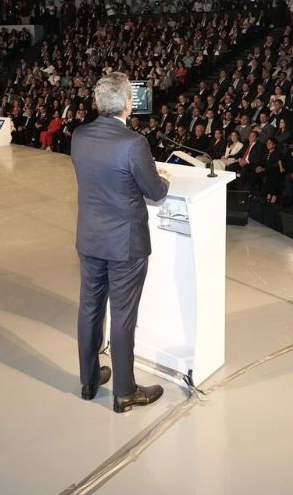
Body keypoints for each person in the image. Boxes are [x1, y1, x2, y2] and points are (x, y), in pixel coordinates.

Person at [71, 72, 170, 413]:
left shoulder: (79, 136)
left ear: (97, 103)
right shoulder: (133, 143)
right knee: (123, 316)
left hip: (90, 238)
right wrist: (165, 180)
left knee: (90, 309)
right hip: (125, 244)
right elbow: (154, 192)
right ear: (129, 104)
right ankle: (125, 392)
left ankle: (88, 381)